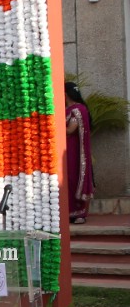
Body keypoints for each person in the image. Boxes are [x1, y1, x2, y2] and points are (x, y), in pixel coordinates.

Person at [65, 82, 95, 224]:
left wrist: (53, 125)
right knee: (67, 179)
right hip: (66, 151)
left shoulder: (78, 109)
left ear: (66, 93)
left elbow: (71, 130)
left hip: (75, 152)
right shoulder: (68, 109)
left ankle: (79, 213)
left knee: (74, 178)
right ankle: (70, 212)